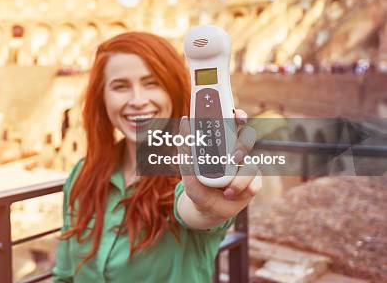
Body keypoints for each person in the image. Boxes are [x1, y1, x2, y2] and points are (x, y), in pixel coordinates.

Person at [52, 31, 260, 282]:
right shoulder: (82, 175)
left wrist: (207, 205)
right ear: (102, 98)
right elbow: (64, 276)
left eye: (152, 83)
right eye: (120, 86)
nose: (137, 100)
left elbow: (195, 211)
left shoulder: (189, 175)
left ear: (173, 89)